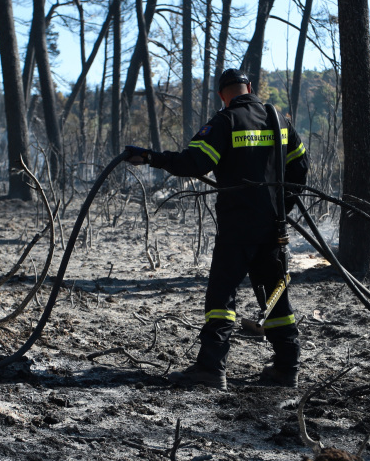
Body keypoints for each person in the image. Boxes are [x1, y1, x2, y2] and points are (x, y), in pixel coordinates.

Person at [122, 69, 309, 389]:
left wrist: (149, 157)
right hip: (272, 229)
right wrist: (281, 209)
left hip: (237, 229)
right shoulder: (278, 119)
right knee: (277, 298)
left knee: (222, 297)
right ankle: (286, 367)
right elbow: (301, 168)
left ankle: (211, 368)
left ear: (223, 95)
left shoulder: (226, 121)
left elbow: (192, 164)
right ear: (250, 88)